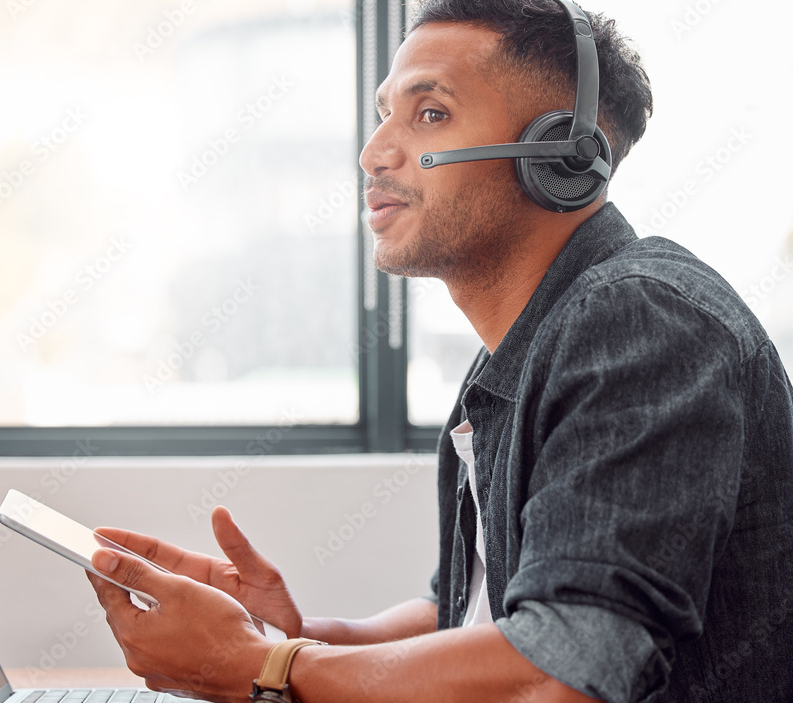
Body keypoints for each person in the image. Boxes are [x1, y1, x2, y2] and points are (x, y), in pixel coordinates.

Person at [86, 1, 793, 701]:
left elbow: (561, 669)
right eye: (383, 114)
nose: (373, 153)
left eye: (429, 114)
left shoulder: (643, 321)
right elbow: (470, 615)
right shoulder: (513, 356)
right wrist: (289, 636)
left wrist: (263, 670)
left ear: (563, 155)